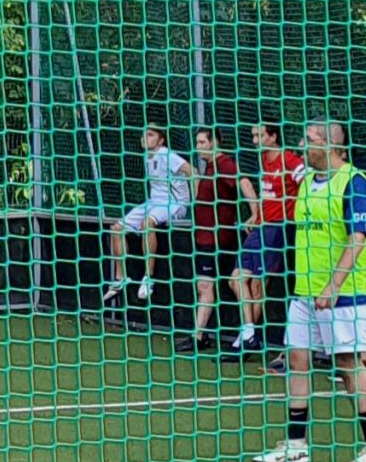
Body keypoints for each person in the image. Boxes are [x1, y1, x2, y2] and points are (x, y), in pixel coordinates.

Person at [249, 121, 366, 462]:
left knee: (347, 365)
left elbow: (358, 238)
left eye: (308, 141)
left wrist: (333, 285)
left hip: (348, 292)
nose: (302, 145)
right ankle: (296, 445)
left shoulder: (354, 181)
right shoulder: (309, 184)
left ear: (329, 146)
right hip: (305, 291)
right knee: (297, 359)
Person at [226, 120, 301, 359]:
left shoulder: (289, 159)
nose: (255, 141)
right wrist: (257, 214)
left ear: (273, 136)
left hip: (279, 228)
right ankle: (249, 333)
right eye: (254, 135)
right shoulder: (263, 160)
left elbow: (309, 183)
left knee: (258, 285)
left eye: (260, 136)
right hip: (262, 226)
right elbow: (267, 194)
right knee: (236, 279)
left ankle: (244, 340)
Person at [103, 124, 192, 305]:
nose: (145, 137)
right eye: (144, 134)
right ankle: (121, 278)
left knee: (147, 223)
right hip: (153, 203)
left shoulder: (167, 155)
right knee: (116, 228)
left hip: (174, 204)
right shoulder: (147, 157)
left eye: (150, 135)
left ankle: (148, 278)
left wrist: (196, 203)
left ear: (160, 140)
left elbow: (192, 172)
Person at [175, 126, 241, 353]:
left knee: (211, 285)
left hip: (217, 238)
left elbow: (243, 183)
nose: (198, 147)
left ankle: (203, 336)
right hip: (205, 237)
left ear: (214, 143)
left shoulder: (223, 164)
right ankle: (199, 336)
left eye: (202, 142)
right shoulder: (210, 168)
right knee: (206, 285)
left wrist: (256, 214)